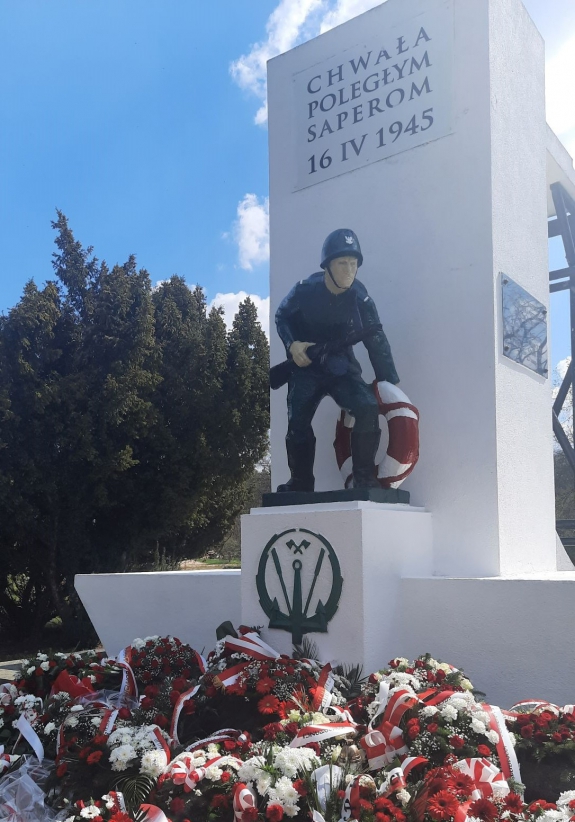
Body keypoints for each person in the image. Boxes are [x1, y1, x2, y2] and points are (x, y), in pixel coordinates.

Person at [275, 228, 400, 492]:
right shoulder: (304, 290)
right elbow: (281, 316)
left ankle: (364, 479)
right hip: (307, 367)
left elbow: (375, 338)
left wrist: (388, 381)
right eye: (342, 263)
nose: (349, 270)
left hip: (340, 366)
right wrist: (292, 345)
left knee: (367, 407)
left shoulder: (360, 297)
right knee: (297, 422)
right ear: (327, 266)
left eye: (354, 264)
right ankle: (300, 483)